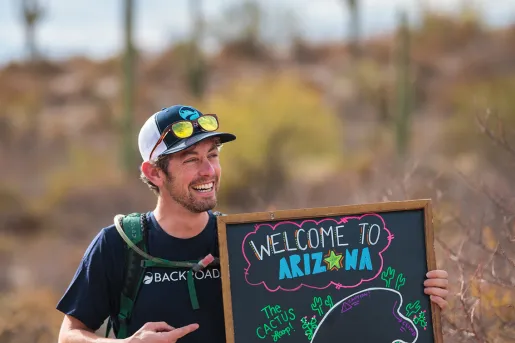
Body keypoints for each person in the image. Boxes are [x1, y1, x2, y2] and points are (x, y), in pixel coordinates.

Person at [56, 104, 450, 343]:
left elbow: (326, 311)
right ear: (154, 172)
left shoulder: (246, 241)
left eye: (213, 154)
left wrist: (420, 291)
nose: (209, 169)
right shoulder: (118, 245)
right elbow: (69, 334)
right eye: (191, 159)